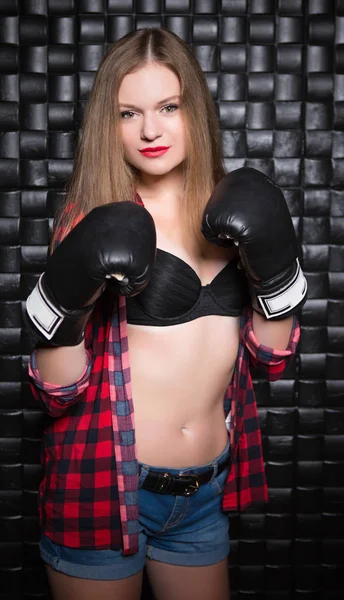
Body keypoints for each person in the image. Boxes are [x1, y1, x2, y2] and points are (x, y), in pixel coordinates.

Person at [24, 27, 307, 600]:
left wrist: (277, 267)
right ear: (111, 123)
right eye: (129, 113)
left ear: (193, 110)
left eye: (167, 107)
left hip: (203, 494)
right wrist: (65, 298)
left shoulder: (234, 206)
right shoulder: (92, 217)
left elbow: (271, 362)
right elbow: (55, 394)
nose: (150, 130)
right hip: (106, 487)